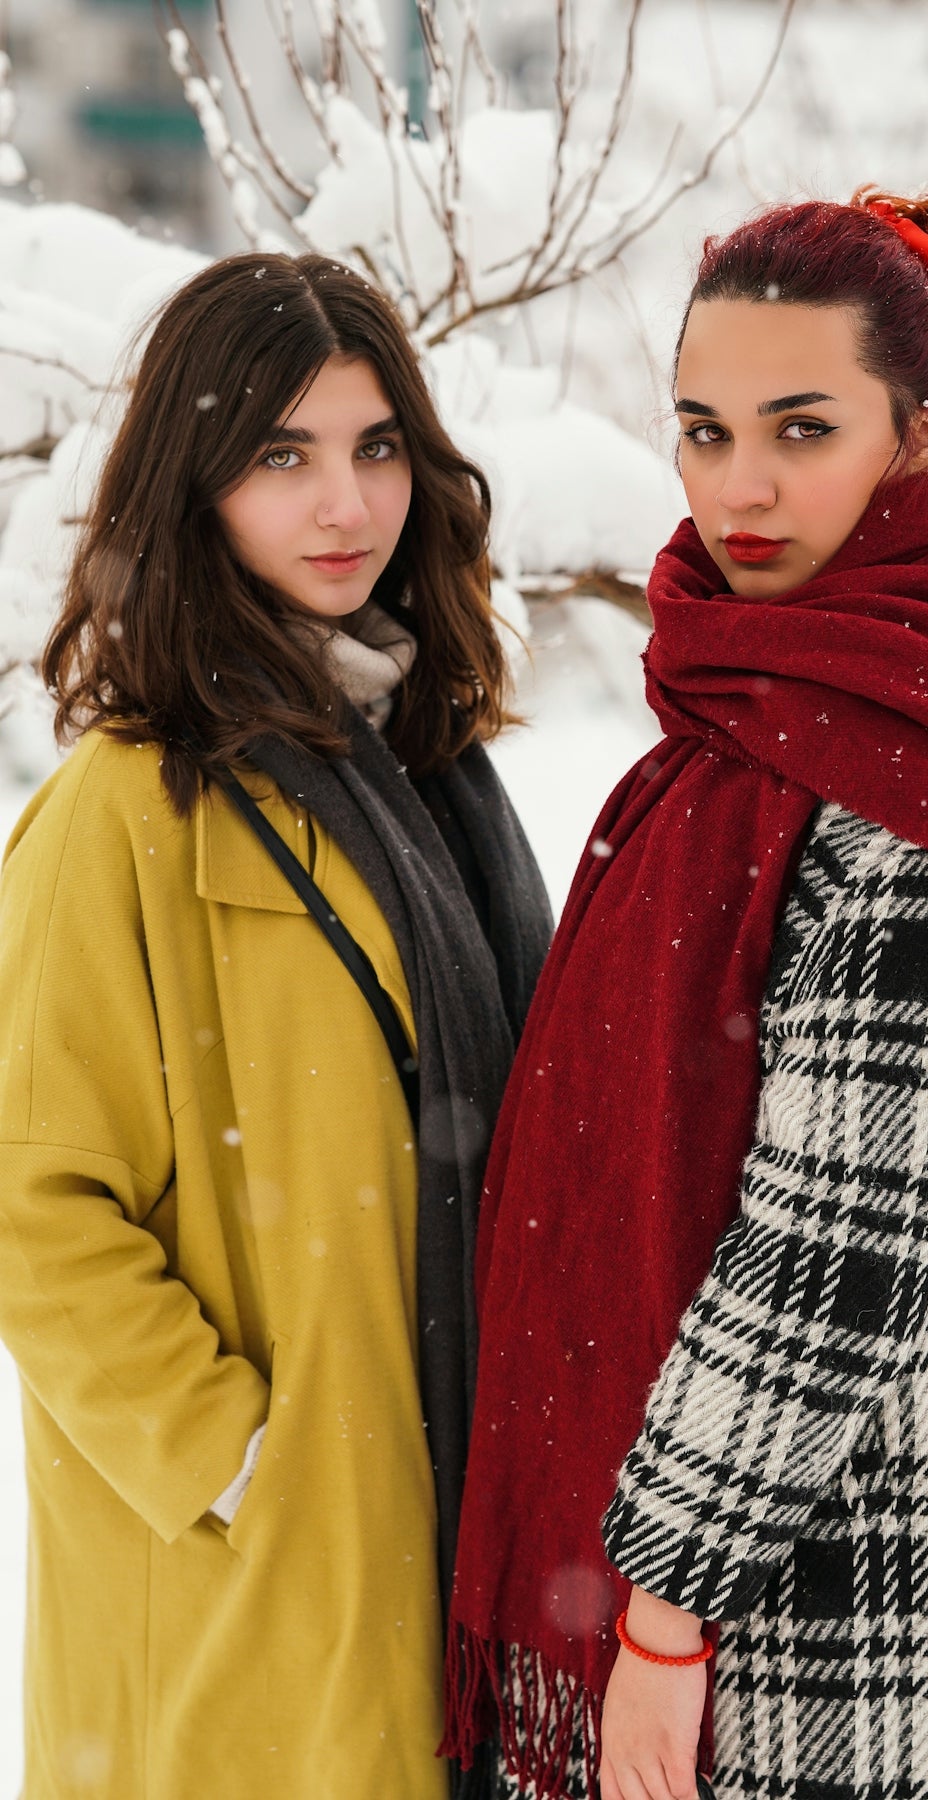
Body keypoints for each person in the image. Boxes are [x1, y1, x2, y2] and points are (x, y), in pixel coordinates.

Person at [442, 191, 928, 1800]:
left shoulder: (910, 779)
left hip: (814, 1623)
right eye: (702, 429)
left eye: (800, 429)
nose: (736, 488)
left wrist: (663, 1627)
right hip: (816, 1576)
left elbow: (826, 1269)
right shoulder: (802, 704)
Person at [0, 251, 552, 1799]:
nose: (345, 507)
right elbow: (30, 1201)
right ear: (195, 484)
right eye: (282, 455)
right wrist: (240, 1458)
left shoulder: (434, 774)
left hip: (436, 1540)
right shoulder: (125, 808)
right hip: (249, 1593)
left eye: (378, 447)